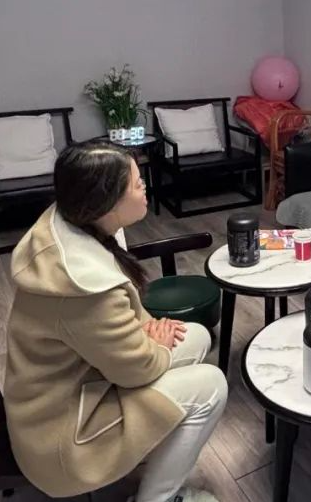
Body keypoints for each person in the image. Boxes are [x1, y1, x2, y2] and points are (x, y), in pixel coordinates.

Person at [3, 141, 227, 502]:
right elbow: (136, 369)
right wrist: (153, 342)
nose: (145, 187)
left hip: (85, 381)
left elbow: (125, 322)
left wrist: (151, 332)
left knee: (197, 336)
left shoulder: (75, 222)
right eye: (137, 183)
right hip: (65, 439)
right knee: (211, 385)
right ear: (108, 201)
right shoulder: (83, 285)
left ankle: (154, 441)